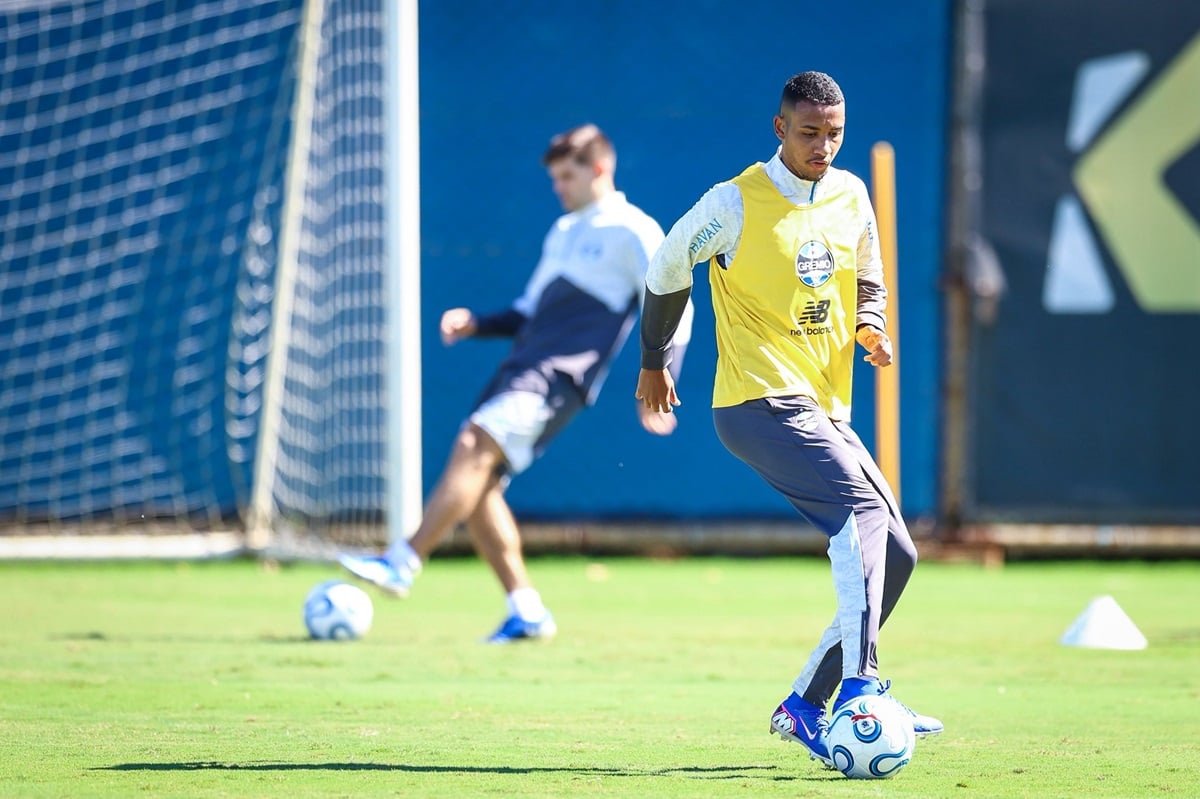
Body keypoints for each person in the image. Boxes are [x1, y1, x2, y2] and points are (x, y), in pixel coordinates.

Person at [634, 71, 942, 765]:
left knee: (897, 552)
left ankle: (805, 704)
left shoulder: (851, 194)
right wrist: (655, 359)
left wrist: (870, 324)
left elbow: (868, 272)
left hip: (826, 408)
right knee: (864, 517)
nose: (823, 145)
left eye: (834, 133)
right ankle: (862, 689)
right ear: (780, 129)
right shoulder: (734, 202)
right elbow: (666, 264)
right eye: (809, 132)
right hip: (756, 402)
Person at [340, 123, 693, 644]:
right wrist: (477, 323)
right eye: (555, 179)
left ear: (598, 169)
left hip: (557, 378)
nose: (559, 188)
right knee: (479, 489)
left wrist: (662, 376)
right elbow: (528, 311)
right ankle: (525, 609)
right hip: (522, 367)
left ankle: (405, 559)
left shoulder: (633, 229)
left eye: (567, 176)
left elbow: (673, 301)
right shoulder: (565, 231)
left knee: (471, 445)